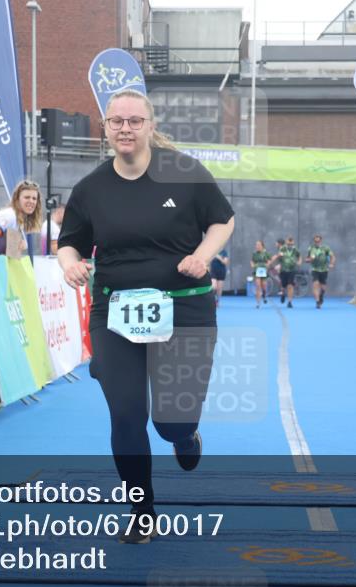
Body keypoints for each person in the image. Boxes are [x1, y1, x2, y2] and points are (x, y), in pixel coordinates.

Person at [56, 89, 234, 544]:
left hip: (185, 307)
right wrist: (70, 264)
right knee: (127, 415)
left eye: (135, 121)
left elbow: (222, 221)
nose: (126, 129)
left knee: (169, 421)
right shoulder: (91, 188)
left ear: (150, 125)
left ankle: (185, 435)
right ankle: (142, 509)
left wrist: (203, 255)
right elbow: (70, 241)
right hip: (115, 311)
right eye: (116, 122)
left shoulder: (184, 173)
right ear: (106, 127)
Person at [0, 181, 42, 256]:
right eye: (27, 197)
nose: (31, 201)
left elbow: (12, 256)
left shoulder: (16, 220)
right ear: (17, 199)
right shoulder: (9, 217)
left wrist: (19, 246)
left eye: (34, 198)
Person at [306, 233, 336, 309]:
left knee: (323, 287)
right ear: (314, 241)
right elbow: (307, 259)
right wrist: (310, 259)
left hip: (324, 269)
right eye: (315, 241)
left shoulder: (326, 248)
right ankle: (317, 302)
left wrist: (332, 263)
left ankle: (321, 295)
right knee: (315, 284)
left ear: (321, 241)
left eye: (318, 241)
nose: (317, 242)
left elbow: (332, 256)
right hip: (315, 269)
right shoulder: (311, 248)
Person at [270, 235, 300, 308]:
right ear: (286, 243)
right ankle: (283, 293)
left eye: (291, 244)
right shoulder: (282, 249)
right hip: (283, 269)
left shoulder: (295, 249)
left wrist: (299, 262)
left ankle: (290, 302)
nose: (290, 245)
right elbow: (277, 256)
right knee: (283, 285)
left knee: (290, 285)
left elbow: (299, 256)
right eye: (289, 244)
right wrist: (271, 262)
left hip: (291, 269)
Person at [250, 240, 272, 307]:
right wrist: (252, 265)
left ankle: (264, 295)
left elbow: (269, 261)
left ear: (262, 246)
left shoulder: (266, 253)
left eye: (259, 245)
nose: (257, 246)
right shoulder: (254, 253)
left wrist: (268, 264)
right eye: (256, 245)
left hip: (264, 271)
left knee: (264, 286)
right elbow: (252, 261)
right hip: (257, 271)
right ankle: (258, 303)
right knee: (258, 286)